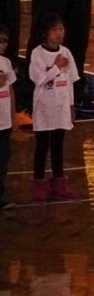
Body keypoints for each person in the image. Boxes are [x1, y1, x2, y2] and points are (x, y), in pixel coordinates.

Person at [28, 13, 80, 201]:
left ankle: (59, 182)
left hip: (61, 107)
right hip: (44, 106)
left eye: (61, 29)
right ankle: (38, 182)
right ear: (45, 33)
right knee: (42, 146)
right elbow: (39, 79)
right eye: (55, 30)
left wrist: (72, 106)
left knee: (58, 146)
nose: (59, 33)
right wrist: (56, 67)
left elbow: (71, 82)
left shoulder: (66, 52)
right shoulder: (37, 53)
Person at [0, 24, 17, 209]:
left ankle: (1, 193)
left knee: (3, 159)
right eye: (1, 41)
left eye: (5, 41)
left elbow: (11, 90)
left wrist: (13, 117)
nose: (3, 45)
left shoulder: (5, 63)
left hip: (4, 122)